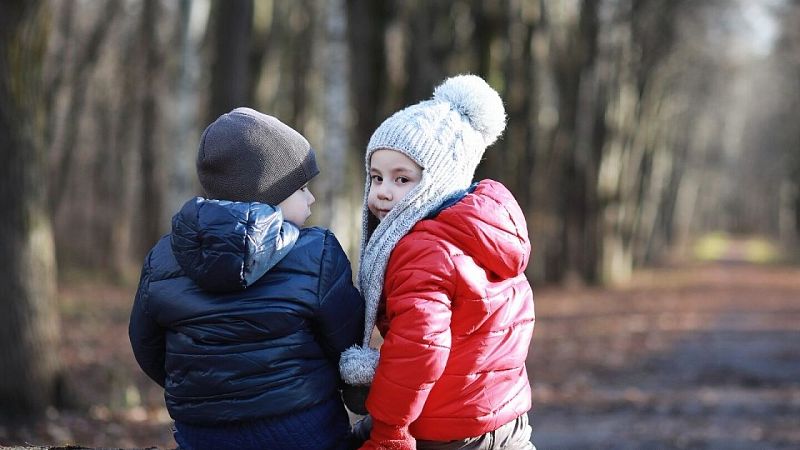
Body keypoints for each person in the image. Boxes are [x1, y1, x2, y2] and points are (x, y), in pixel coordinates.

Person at [129, 107, 365, 450]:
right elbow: (346, 342)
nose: (311, 197)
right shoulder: (318, 252)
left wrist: (205, 390)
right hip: (302, 427)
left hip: (202, 432)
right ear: (269, 194)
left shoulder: (163, 258)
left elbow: (147, 346)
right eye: (301, 188)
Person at [339, 75, 536, 449]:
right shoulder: (482, 232)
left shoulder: (424, 250)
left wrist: (390, 431)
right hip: (504, 417)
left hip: (448, 428)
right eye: (376, 177)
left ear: (439, 182)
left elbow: (419, 349)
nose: (382, 191)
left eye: (402, 179)